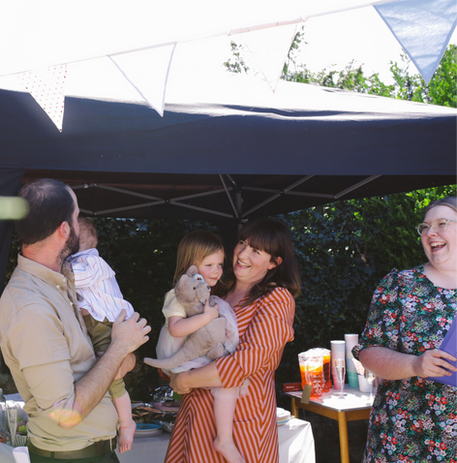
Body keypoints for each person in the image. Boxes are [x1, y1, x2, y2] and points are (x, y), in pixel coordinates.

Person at [0, 178, 150, 463]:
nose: (79, 224)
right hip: (72, 458)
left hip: (92, 452)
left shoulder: (60, 283)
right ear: (65, 229)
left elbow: (109, 363)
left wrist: (122, 357)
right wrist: (119, 349)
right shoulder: (31, 308)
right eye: (77, 215)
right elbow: (65, 414)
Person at [166, 219, 301, 463]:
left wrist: (185, 378)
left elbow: (246, 362)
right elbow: (184, 343)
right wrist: (171, 370)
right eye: (242, 243)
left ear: (274, 263)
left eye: (256, 251)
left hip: (241, 426)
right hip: (195, 418)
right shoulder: (214, 291)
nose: (242, 254)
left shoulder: (276, 299)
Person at [353, 196, 457, 462]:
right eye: (424, 227)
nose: (430, 232)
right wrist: (415, 365)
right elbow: (368, 353)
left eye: (441, 223)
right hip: (405, 440)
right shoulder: (399, 284)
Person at [153, 230, 244, 463]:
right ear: (190, 267)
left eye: (220, 264)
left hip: (197, 353)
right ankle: (224, 439)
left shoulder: (206, 294)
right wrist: (207, 317)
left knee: (229, 381)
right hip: (181, 355)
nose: (217, 271)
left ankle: (223, 438)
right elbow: (175, 328)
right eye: (209, 264)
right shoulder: (177, 295)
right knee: (229, 379)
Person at [67, 217, 136, 454]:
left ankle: (127, 423)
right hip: (95, 324)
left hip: (106, 325)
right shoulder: (80, 261)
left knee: (115, 378)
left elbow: (74, 279)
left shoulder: (92, 262)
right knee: (101, 372)